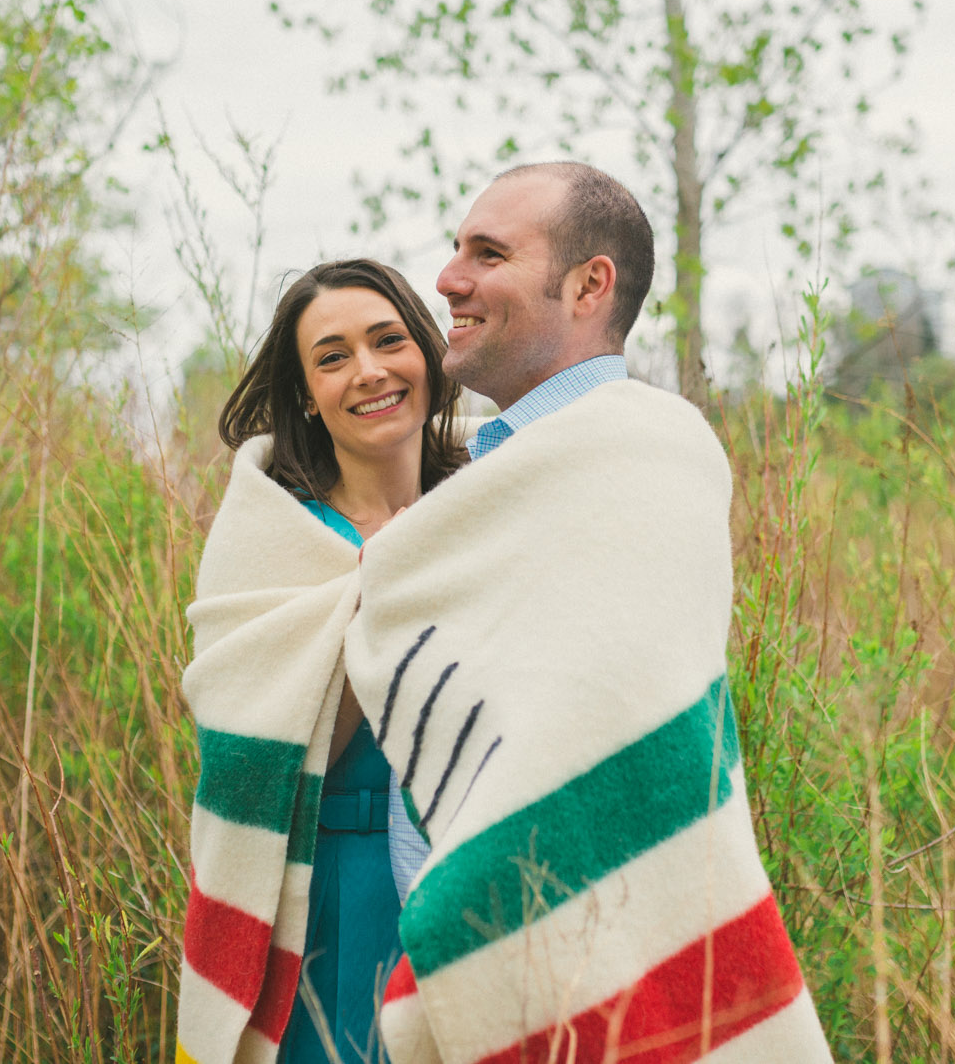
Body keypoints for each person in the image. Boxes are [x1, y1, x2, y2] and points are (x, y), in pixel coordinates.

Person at [348, 162, 834, 1062]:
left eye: (487, 253)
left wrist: (467, 912)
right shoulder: (474, 476)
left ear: (588, 284)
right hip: (431, 960)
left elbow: (609, 720)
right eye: (455, 250)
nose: (449, 278)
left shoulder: (646, 455)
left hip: (554, 963)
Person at [175, 260, 465, 1064]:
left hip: (480, 877)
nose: (368, 370)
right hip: (334, 886)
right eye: (332, 357)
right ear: (306, 393)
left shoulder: (486, 508)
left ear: (429, 358)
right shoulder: (274, 537)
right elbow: (255, 750)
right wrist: (380, 590)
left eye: (388, 341)